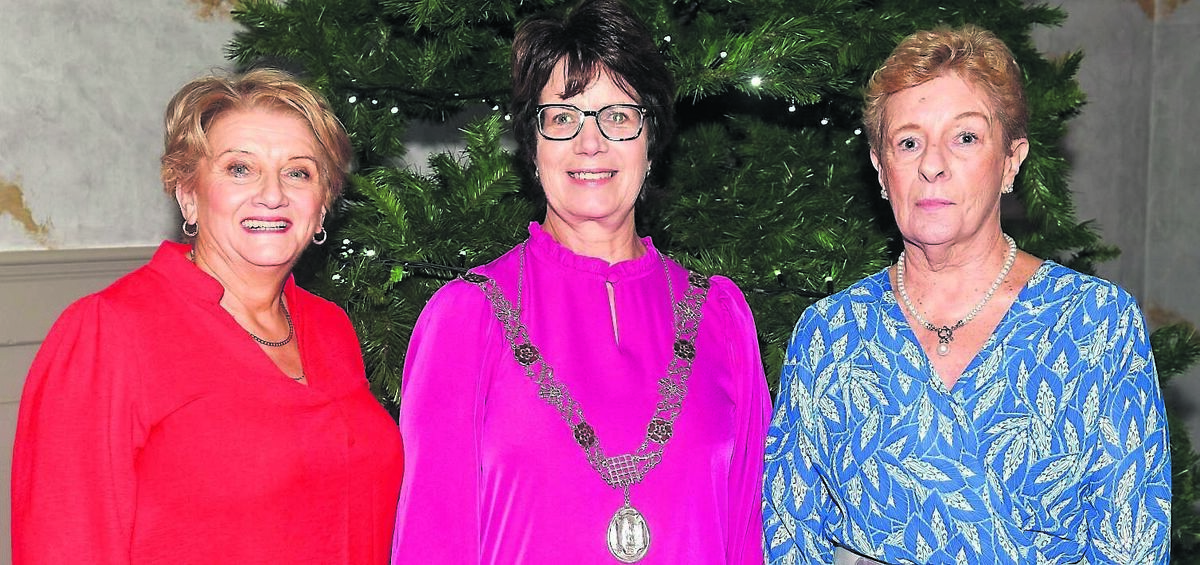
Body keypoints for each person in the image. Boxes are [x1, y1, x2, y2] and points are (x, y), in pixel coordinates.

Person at [762, 25, 1171, 564]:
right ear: (881, 170)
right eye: (908, 142)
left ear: (1011, 160)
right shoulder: (829, 334)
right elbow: (789, 537)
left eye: (965, 137)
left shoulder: (1096, 323)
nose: (932, 165)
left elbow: (1133, 545)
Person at [390, 0, 770, 563]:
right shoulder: (467, 316)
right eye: (563, 117)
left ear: (651, 138)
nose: (590, 142)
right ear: (533, 143)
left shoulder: (720, 315)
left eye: (617, 115)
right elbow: (431, 541)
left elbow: (749, 535)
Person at [11, 68, 404, 564]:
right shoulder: (110, 330)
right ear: (188, 194)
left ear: (322, 205)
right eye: (240, 168)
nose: (272, 194)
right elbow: (65, 544)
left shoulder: (330, 326)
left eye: (298, 172)